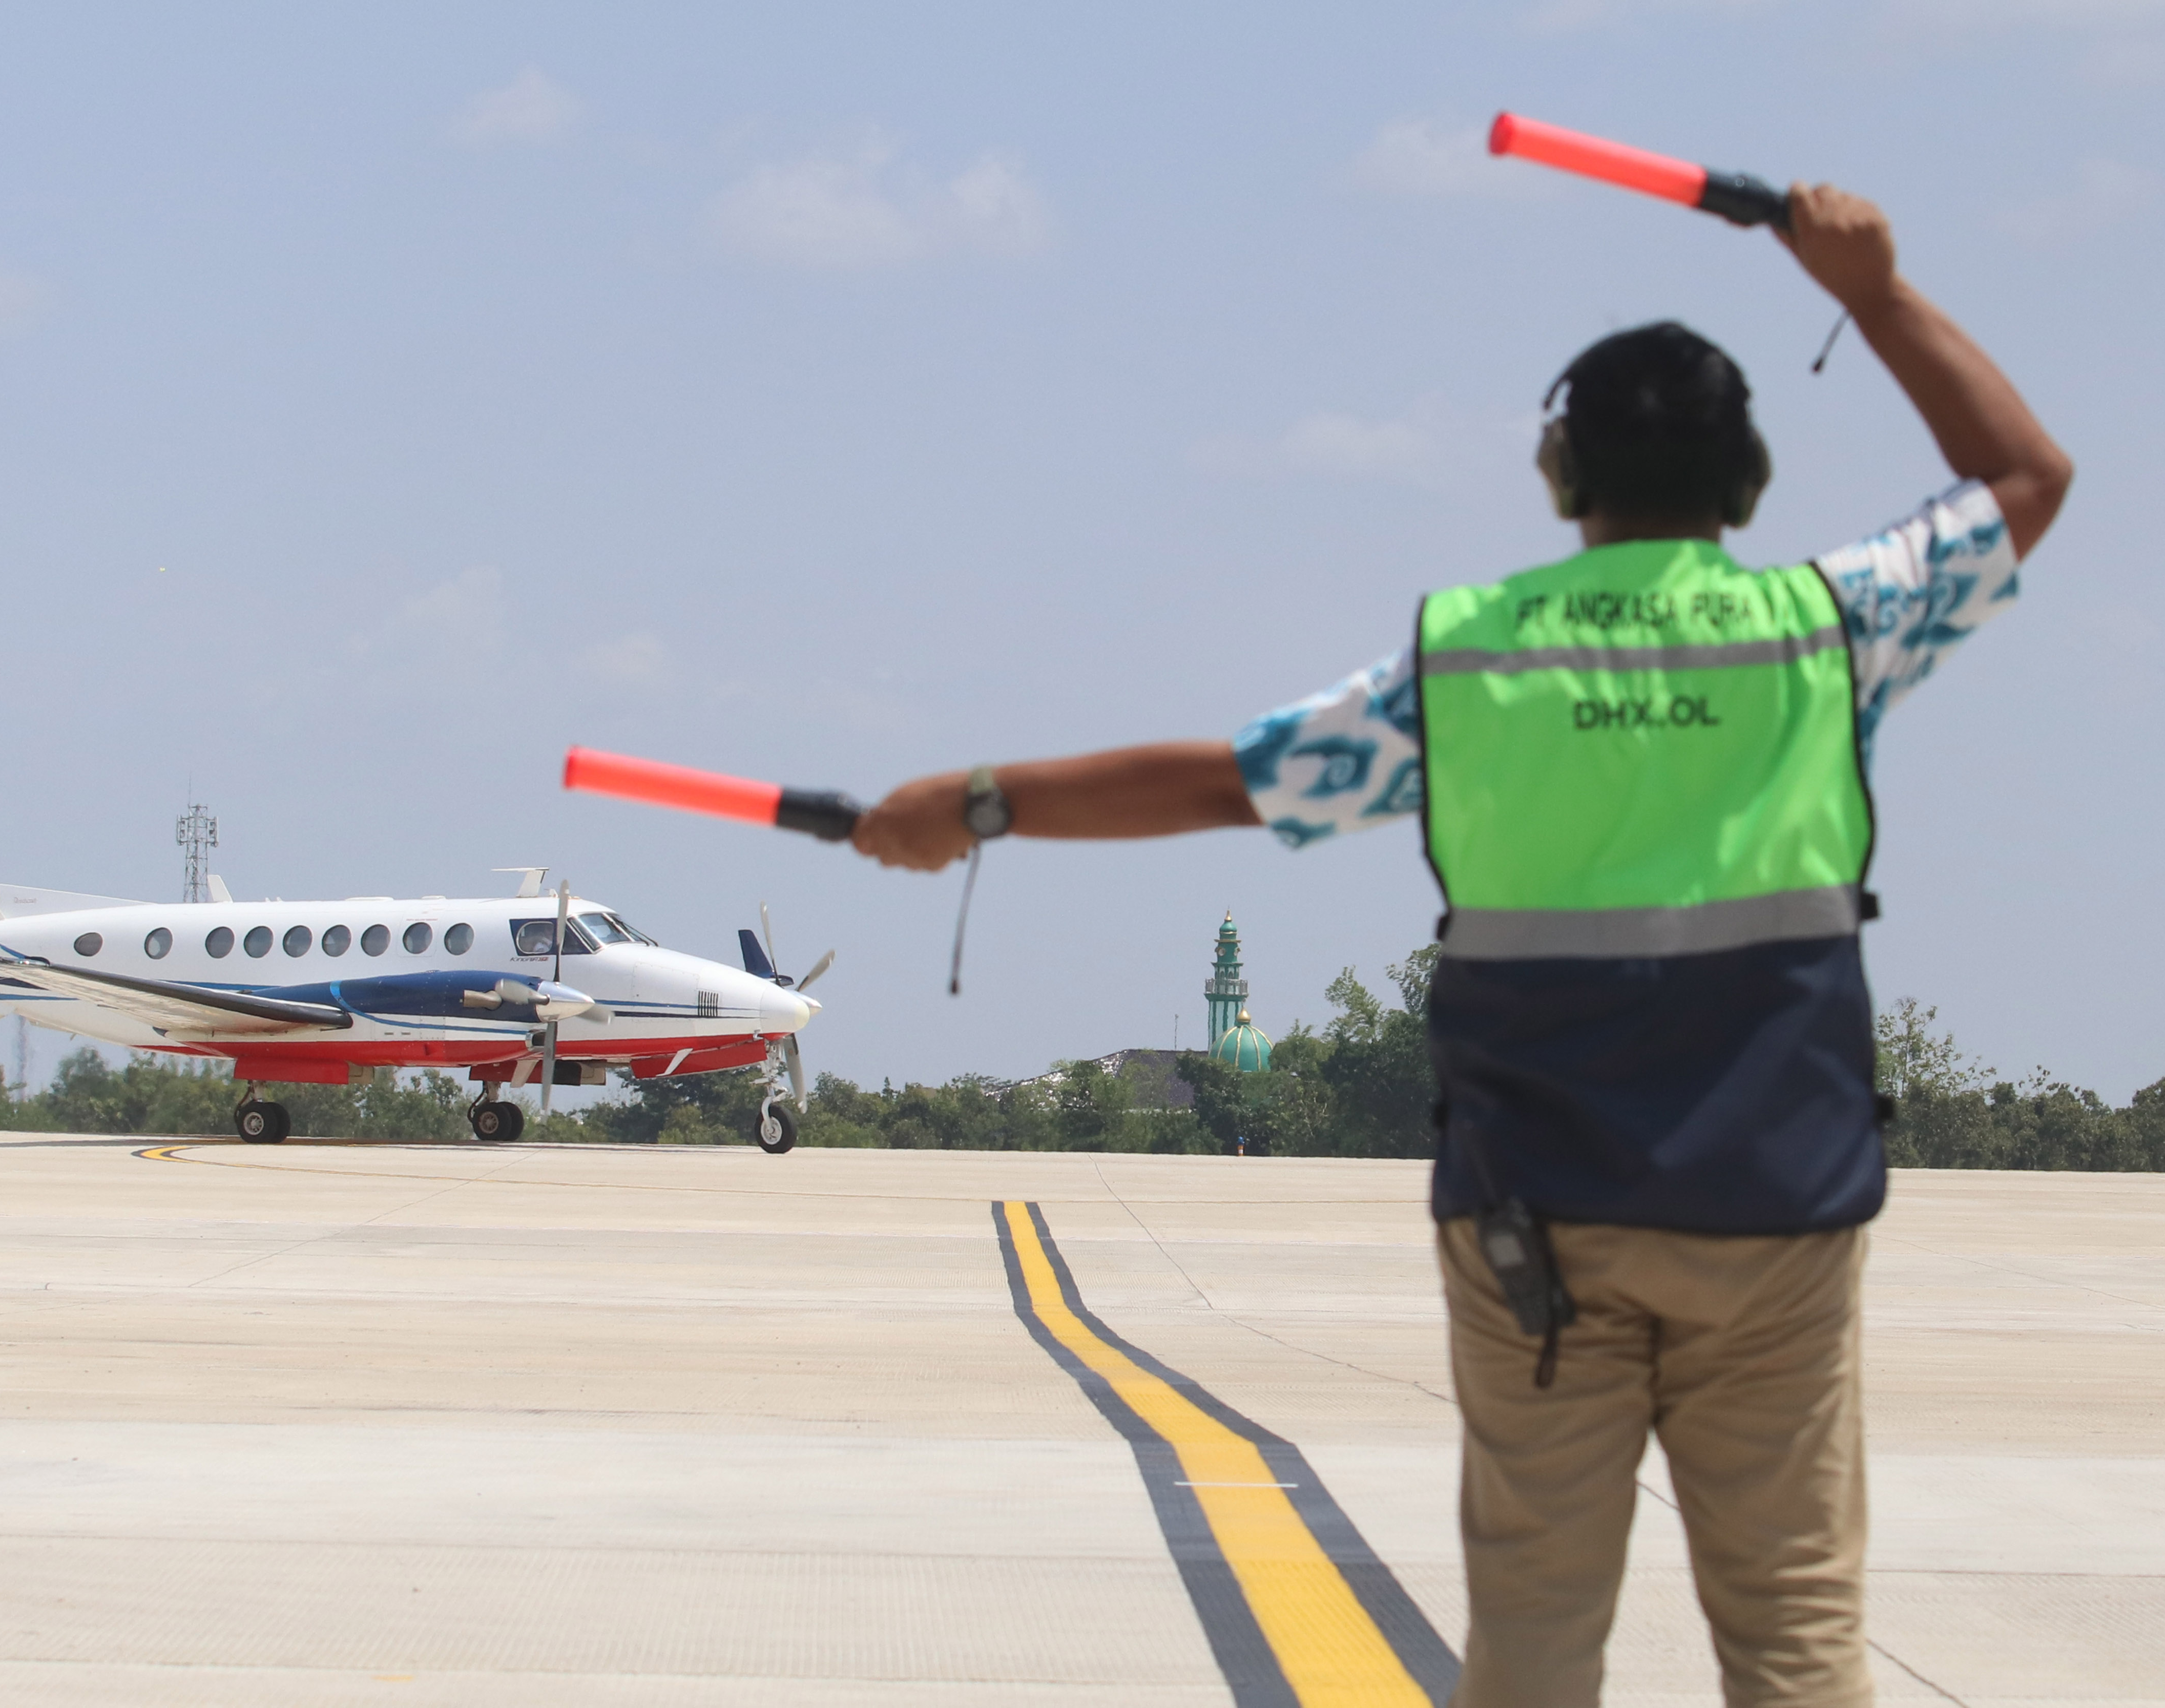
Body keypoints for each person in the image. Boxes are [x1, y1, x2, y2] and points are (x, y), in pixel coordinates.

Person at [851, 183, 2070, 1706]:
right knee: (1797, 1625)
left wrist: (979, 804)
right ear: (1750, 478)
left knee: (1538, 1637)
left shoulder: (1476, 658)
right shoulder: (1826, 630)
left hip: (1537, 1219)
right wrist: (1875, 290)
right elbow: (2024, 474)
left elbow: (1227, 782)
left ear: (1561, 473)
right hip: (1778, 1211)